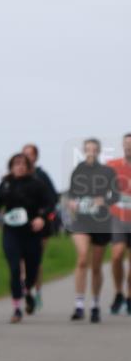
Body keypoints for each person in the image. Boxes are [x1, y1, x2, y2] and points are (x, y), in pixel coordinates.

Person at [0, 153, 55, 323]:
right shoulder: (6, 183)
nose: (20, 166)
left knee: (32, 271)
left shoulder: (37, 184)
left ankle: (27, 290)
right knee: (15, 269)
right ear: (11, 167)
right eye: (16, 164)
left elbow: (49, 204)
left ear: (29, 167)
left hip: (31, 232)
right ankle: (16, 308)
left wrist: (41, 218)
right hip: (11, 232)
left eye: (23, 164)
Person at [66, 138, 118, 323]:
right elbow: (71, 193)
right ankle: (79, 305)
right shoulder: (78, 171)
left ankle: (95, 304)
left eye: (94, 149)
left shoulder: (108, 172)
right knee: (82, 259)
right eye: (88, 149)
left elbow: (115, 195)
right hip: (81, 221)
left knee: (96, 266)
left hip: (101, 222)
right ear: (84, 151)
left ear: (99, 151)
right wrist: (72, 203)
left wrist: (104, 201)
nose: (91, 152)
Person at [21, 143, 60, 309]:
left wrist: (43, 213)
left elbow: (53, 198)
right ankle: (26, 291)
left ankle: (37, 291)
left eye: (30, 154)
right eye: (24, 154)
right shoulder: (17, 175)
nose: (27, 157)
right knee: (22, 259)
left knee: (35, 260)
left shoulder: (42, 176)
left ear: (36, 157)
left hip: (41, 224)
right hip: (21, 224)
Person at [106, 133, 131, 315]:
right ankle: (118, 292)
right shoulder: (112, 165)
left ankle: (129, 296)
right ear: (122, 146)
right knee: (117, 255)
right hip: (118, 217)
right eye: (126, 144)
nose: (129, 147)